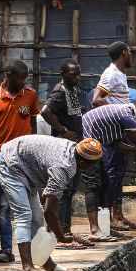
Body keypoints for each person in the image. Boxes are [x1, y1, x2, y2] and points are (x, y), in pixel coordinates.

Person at [0, 134, 102, 271]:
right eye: (92, 165)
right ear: (82, 163)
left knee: (37, 218)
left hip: (26, 168)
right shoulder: (63, 167)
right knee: (23, 215)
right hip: (9, 164)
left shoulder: (73, 149)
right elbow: (49, 212)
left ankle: (47, 264)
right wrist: (61, 237)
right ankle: (27, 269)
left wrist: (57, 230)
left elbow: (48, 204)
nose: (93, 168)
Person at [0, 59, 39, 264]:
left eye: (26, 78)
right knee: (4, 206)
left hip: (26, 160)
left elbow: (33, 127)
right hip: (2, 161)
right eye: (21, 78)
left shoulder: (30, 95)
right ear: (9, 75)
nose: (24, 82)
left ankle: (35, 247)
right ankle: (6, 249)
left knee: (31, 207)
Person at [82, 98, 136, 236]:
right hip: (86, 142)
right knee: (94, 186)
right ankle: (95, 229)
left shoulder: (125, 115)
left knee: (105, 183)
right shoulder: (127, 117)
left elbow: (116, 144)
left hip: (94, 142)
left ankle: (106, 225)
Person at [39, 59, 89, 245]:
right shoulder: (60, 92)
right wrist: (62, 131)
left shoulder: (73, 90)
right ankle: (62, 231)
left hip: (74, 146)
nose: (77, 77)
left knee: (71, 189)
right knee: (65, 190)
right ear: (63, 74)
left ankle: (64, 229)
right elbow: (45, 111)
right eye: (73, 74)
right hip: (63, 147)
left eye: (78, 74)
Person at [93, 42, 133, 107]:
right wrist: (117, 110)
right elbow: (96, 100)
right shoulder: (111, 74)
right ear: (124, 53)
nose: (131, 56)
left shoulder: (120, 73)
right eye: (129, 52)